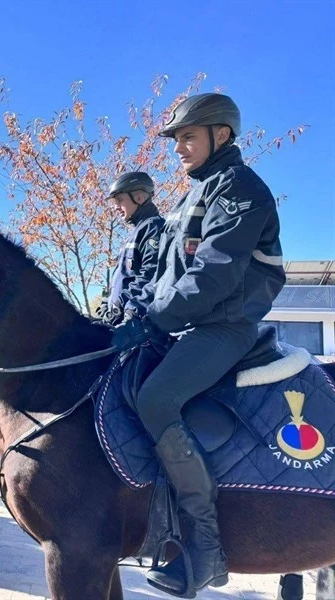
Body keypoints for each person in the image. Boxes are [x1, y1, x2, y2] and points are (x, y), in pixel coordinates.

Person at [113, 93, 285, 597]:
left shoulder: (238, 189)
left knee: (156, 398)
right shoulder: (195, 193)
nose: (179, 148)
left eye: (188, 137)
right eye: (177, 140)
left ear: (222, 135)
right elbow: (167, 277)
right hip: (188, 326)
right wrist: (131, 315)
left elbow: (213, 274)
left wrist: (154, 321)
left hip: (224, 328)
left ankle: (205, 552)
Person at [101, 171, 164, 326]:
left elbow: (151, 274)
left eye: (119, 200)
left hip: (137, 323)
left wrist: (126, 308)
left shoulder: (153, 227)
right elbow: (121, 277)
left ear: (139, 198)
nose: (116, 207)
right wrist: (105, 302)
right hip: (118, 319)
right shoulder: (135, 233)